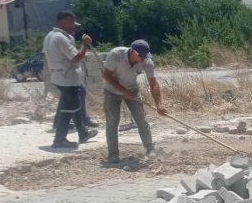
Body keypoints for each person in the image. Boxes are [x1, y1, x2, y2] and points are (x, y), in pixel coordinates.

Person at [101, 39, 167, 163]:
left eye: (144, 56)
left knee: (141, 118)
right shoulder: (116, 55)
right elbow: (106, 75)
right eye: (140, 56)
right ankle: (113, 154)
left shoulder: (147, 62)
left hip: (132, 90)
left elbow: (153, 84)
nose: (143, 59)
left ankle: (150, 148)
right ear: (132, 51)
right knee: (112, 121)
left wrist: (159, 105)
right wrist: (123, 91)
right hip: (111, 91)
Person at [44, 10, 98, 148]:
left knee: (74, 104)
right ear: (62, 22)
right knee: (68, 108)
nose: (73, 27)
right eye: (70, 23)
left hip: (59, 76)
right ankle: (59, 139)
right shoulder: (61, 38)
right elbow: (76, 57)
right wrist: (85, 44)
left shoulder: (50, 36)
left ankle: (82, 133)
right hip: (67, 78)